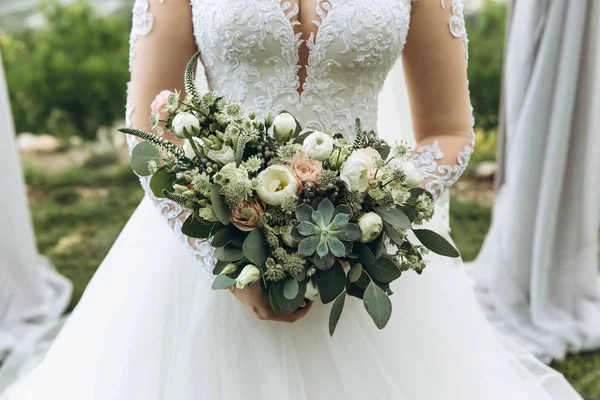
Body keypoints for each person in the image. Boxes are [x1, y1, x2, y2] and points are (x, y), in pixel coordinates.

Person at [0, 1, 582, 398]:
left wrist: (370, 212)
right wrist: (226, 260)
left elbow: (449, 129)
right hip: (203, 243)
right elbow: (154, 126)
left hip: (365, 252)